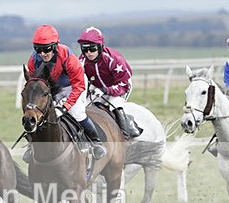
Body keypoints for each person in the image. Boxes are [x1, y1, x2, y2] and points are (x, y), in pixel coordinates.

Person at [26, 24, 106, 159]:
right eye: (38, 49)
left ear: (55, 46)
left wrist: (65, 107)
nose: (42, 54)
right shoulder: (34, 60)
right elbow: (34, 86)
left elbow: (78, 86)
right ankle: (31, 145)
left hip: (74, 85)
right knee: (36, 114)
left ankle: (96, 142)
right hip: (52, 88)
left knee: (77, 112)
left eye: (46, 49)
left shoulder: (67, 56)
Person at [77, 26, 142, 138]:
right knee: (84, 108)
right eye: (84, 49)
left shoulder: (114, 59)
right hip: (98, 88)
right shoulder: (82, 60)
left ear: (100, 46)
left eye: (92, 49)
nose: (88, 53)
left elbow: (123, 84)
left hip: (121, 85)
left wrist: (106, 90)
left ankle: (125, 134)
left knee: (115, 106)